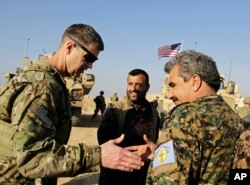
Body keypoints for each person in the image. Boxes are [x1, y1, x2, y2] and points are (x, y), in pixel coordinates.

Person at [0, 24, 143, 185]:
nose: (90, 65)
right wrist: (99, 155)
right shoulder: (42, 88)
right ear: (70, 47)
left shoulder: (51, 83)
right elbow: (32, 158)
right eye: (89, 58)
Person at [140, 50, 244, 184]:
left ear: (195, 82)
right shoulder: (236, 120)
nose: (170, 94)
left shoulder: (184, 116)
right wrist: (162, 155)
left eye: (173, 85)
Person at [97, 69, 160, 185]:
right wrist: (134, 132)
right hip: (115, 176)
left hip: (142, 176)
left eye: (139, 85)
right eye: (130, 84)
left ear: (147, 87)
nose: (133, 88)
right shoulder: (115, 109)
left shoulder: (154, 113)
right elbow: (103, 141)